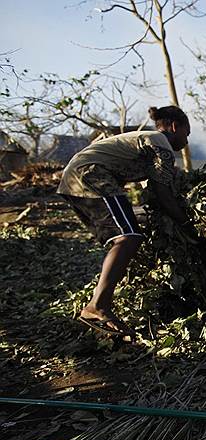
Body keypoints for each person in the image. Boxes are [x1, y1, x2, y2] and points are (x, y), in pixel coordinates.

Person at [57, 105, 193, 339]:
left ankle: (100, 302)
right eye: (186, 134)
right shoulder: (160, 143)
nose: (186, 141)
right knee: (128, 237)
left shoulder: (144, 142)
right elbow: (162, 192)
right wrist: (186, 223)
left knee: (128, 233)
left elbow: (149, 194)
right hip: (91, 175)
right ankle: (97, 306)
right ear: (175, 126)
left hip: (74, 180)